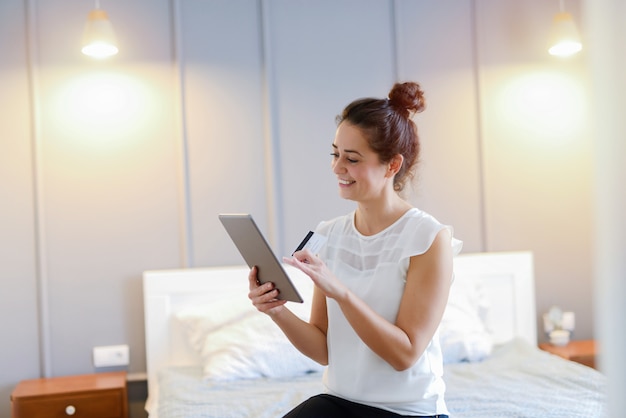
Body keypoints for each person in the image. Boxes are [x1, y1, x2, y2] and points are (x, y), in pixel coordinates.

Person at [248, 81, 462, 418]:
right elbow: (323, 349)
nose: (337, 168)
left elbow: (404, 355)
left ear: (392, 165)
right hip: (340, 401)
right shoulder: (328, 234)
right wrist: (276, 310)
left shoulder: (428, 238)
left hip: (408, 411)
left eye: (352, 158)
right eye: (335, 154)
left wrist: (341, 293)